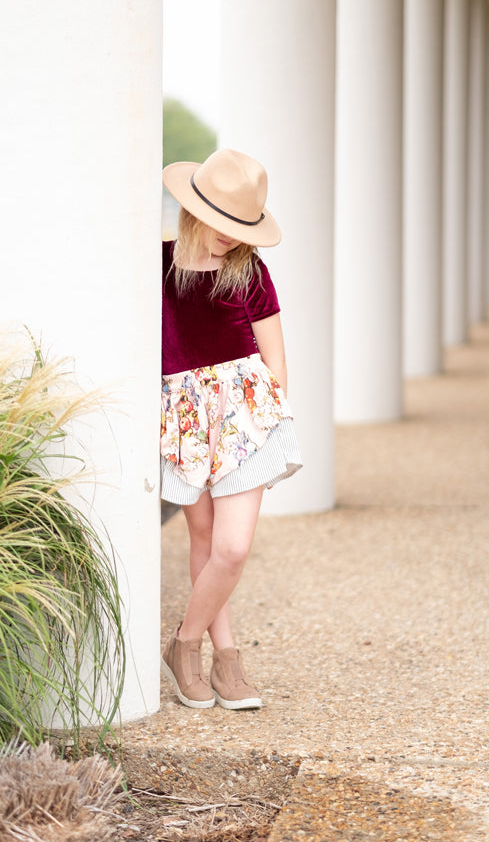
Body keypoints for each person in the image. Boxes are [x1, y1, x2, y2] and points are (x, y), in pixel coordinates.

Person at [160, 148, 302, 710]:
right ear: (194, 210)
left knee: (234, 547)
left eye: (239, 226)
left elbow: (276, 360)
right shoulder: (159, 266)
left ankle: (184, 643)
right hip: (189, 418)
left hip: (246, 414)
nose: (227, 236)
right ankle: (225, 659)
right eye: (220, 222)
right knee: (202, 539)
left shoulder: (251, 271)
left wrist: (270, 422)